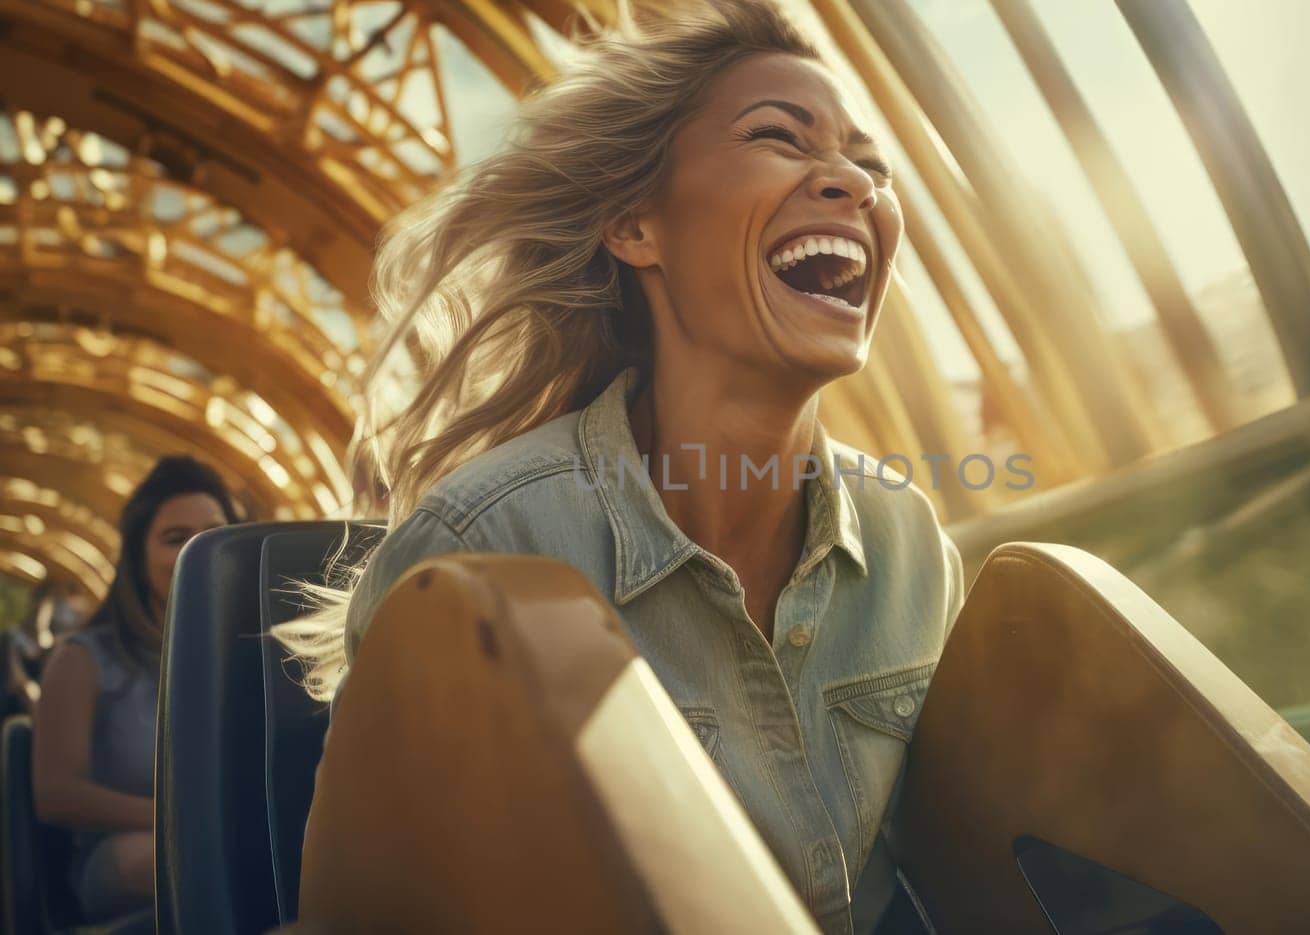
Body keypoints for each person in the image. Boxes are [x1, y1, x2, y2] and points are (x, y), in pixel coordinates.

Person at [274, 2, 964, 931]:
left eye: (869, 163)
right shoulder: (484, 550)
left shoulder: (910, 541)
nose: (849, 179)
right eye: (778, 137)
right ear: (635, 227)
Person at [32, 456, 241, 922]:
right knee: (174, 861)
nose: (196, 551)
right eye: (175, 538)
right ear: (137, 557)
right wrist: (178, 818)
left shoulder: (246, 654)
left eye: (211, 535)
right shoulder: (82, 659)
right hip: (124, 857)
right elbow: (56, 795)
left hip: (228, 838)